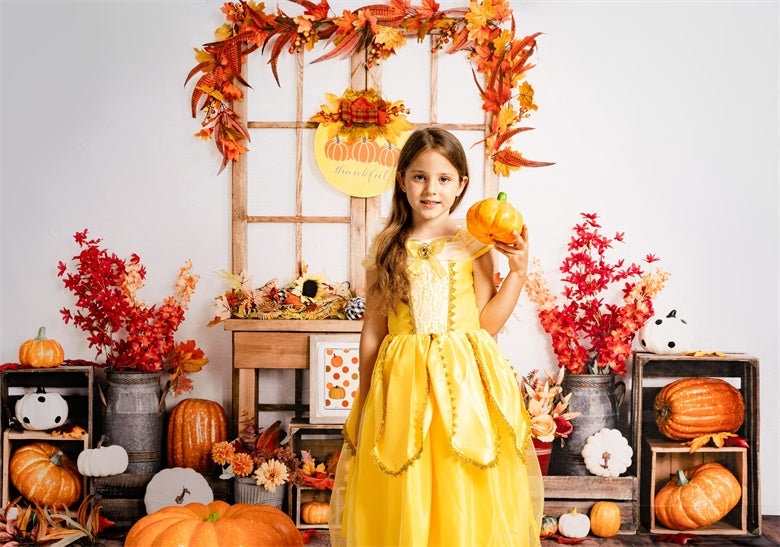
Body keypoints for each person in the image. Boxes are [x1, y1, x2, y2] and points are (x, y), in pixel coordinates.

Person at [329, 127, 543, 547]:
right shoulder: (387, 246)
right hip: (403, 383)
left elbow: (486, 324)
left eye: (444, 179)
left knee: (459, 474)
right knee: (405, 478)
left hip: (463, 384)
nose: (431, 189)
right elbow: (374, 327)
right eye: (420, 176)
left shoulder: (474, 243)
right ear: (402, 180)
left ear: (461, 185)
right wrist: (368, 392)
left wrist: (518, 272)